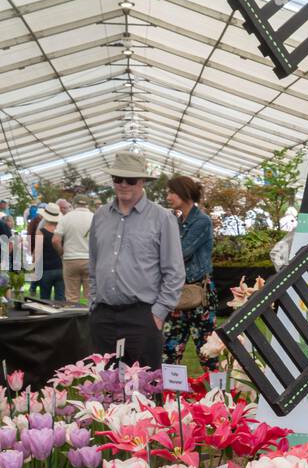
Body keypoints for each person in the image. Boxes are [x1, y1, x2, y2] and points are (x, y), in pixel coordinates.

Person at [88, 152, 185, 370]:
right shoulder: (101, 216)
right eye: (117, 179)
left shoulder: (162, 218)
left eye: (130, 180)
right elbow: (94, 263)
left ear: (142, 182)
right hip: (103, 316)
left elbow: (175, 271)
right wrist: (94, 301)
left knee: (146, 389)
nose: (123, 184)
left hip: (143, 316)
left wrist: (158, 313)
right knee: (103, 387)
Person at [162, 176, 218, 371]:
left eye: (172, 192)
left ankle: (217, 395)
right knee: (170, 349)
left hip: (198, 293)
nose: (168, 197)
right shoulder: (176, 220)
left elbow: (180, 252)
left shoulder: (201, 221)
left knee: (207, 351)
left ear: (184, 193)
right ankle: (169, 396)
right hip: (177, 291)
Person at [53, 193, 93, 304]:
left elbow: (55, 240)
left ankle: (72, 319)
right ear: (87, 205)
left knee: (71, 297)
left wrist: (61, 252)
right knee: (90, 296)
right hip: (90, 260)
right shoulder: (95, 218)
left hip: (70, 259)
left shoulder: (66, 218)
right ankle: (88, 319)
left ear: (73, 204)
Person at [30, 203, 64, 301]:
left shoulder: (40, 232)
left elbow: (37, 253)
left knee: (44, 300)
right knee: (61, 300)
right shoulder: (61, 231)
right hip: (60, 268)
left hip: (45, 270)